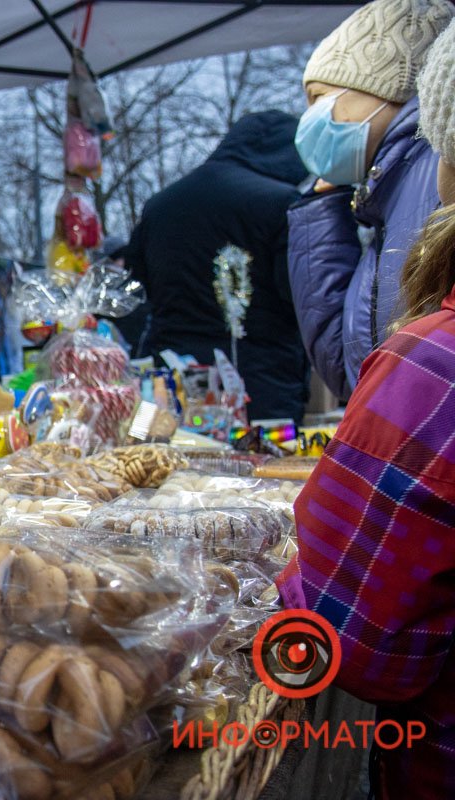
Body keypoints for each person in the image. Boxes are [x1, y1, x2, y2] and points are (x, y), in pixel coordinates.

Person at [277, 23, 455, 796]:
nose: (309, 119)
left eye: (321, 100)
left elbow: (348, 635)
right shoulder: (368, 198)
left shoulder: (435, 365)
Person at [287, 0, 452, 399]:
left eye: (320, 98)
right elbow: (353, 372)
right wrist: (321, 209)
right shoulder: (387, 190)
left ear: (382, 90)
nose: (310, 118)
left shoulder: (431, 172)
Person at [120, 111, 311, 422]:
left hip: (172, 380)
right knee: (270, 468)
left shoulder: (160, 205)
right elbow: (298, 294)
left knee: (166, 466)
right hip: (260, 382)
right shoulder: (282, 202)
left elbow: (136, 293)